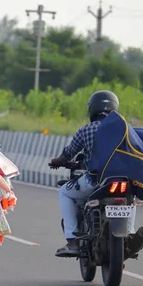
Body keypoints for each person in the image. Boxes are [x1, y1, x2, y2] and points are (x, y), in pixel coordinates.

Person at [49, 90, 120, 258]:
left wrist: (57, 161)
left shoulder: (86, 130)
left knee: (65, 192)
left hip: (97, 181)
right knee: (128, 202)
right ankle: (128, 234)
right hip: (124, 180)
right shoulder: (125, 129)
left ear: (92, 109)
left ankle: (72, 240)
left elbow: (68, 154)